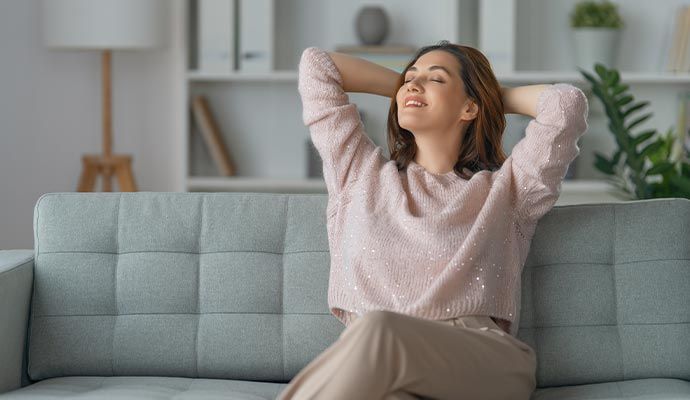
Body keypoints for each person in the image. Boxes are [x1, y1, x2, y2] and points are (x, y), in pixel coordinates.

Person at [277, 40, 589, 400]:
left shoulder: (509, 191)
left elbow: (566, 105)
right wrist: (409, 88)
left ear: (470, 107)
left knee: (381, 329)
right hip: (380, 365)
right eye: (410, 77)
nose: (413, 84)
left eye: (435, 79)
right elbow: (318, 66)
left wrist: (488, 96)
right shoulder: (358, 175)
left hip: (481, 362)